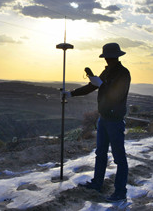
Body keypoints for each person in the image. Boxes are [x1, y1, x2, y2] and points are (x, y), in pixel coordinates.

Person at [64, 43, 131, 202]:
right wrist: (71, 94)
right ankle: (97, 184)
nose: (107, 60)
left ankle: (120, 192)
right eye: (107, 57)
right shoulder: (107, 71)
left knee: (119, 157)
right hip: (104, 119)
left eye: (108, 57)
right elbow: (91, 87)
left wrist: (103, 85)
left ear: (114, 57)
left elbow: (116, 95)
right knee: (100, 153)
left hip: (114, 120)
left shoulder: (123, 73)